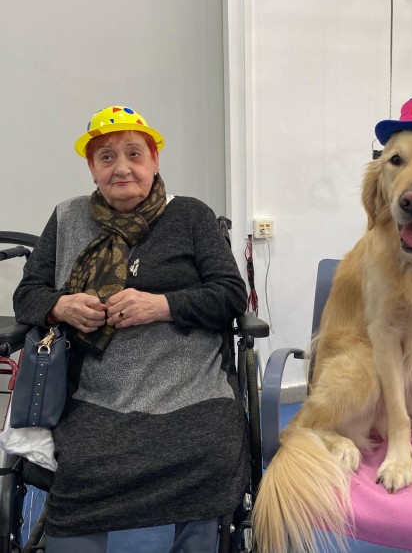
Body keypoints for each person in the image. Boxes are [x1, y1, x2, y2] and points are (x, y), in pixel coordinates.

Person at [13, 105, 249, 553]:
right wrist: (61, 306)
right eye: (106, 157)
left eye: (134, 154)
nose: (121, 167)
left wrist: (163, 305)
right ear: (92, 168)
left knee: (209, 449)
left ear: (154, 160)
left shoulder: (192, 215)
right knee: (85, 465)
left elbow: (231, 294)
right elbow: (27, 296)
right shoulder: (67, 218)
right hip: (98, 388)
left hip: (190, 381)